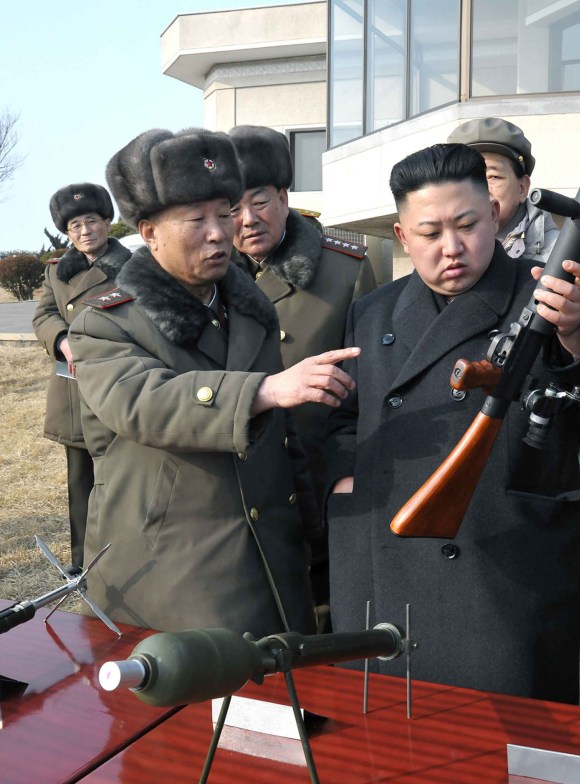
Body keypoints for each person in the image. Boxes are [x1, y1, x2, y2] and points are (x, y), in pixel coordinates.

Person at [321, 143, 580, 703]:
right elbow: (344, 418)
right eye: (430, 233)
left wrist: (577, 330)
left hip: (502, 562)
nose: (451, 247)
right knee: (390, 738)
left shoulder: (548, 295)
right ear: (403, 238)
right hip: (385, 551)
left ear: (496, 216)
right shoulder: (374, 310)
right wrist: (346, 483)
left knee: (505, 744)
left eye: (467, 224)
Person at [69, 128, 358, 637]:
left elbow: (284, 446)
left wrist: (313, 535)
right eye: (196, 219)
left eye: (223, 213)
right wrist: (263, 391)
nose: (220, 232)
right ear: (149, 232)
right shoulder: (107, 322)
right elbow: (141, 402)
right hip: (171, 571)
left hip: (271, 558)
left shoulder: (250, 310)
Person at [228, 125, 377, 617]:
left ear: (285, 197)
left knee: (330, 611)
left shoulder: (344, 268)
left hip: (317, 472)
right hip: (241, 482)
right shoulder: (206, 277)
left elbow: (370, 387)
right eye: (231, 207)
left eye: (260, 202)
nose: (247, 220)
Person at [33, 183, 131, 568]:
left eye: (91, 220)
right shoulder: (57, 272)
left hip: (121, 380)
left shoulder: (136, 267)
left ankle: (126, 554)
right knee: (80, 479)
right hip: (73, 387)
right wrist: (63, 341)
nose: (85, 231)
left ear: (107, 222)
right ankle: (83, 560)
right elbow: (43, 314)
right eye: (75, 225)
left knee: (126, 474)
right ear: (67, 233)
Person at [447, 117, 559, 263]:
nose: (481, 188)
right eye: (470, 177)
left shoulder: (567, 254)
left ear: (522, 188)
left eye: (493, 176)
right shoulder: (444, 251)